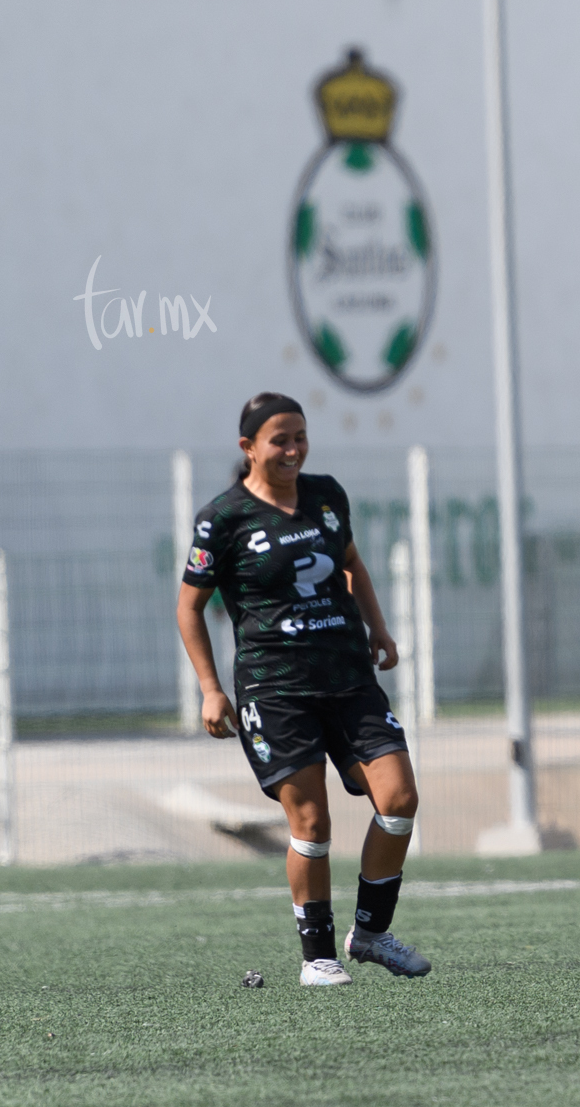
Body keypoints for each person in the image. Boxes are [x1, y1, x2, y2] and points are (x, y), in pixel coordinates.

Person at [176, 392, 431, 986]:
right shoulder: (223, 518)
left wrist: (378, 627)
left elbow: (350, 562)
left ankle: (370, 933)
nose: (293, 449)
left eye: (300, 436)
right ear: (249, 449)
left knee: (398, 799)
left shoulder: (326, 494)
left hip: (347, 678)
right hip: (275, 689)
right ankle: (317, 957)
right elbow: (190, 608)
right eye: (279, 440)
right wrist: (211, 689)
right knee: (311, 820)